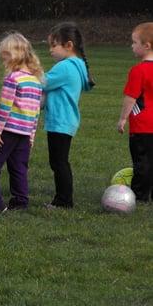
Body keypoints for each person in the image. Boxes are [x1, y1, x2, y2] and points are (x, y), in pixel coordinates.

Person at [44, 22, 95, 209]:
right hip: (67, 121)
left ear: (69, 45)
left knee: (58, 162)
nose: (50, 50)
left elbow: (42, 82)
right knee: (60, 161)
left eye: (53, 45)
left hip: (60, 121)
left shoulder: (64, 67)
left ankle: (63, 201)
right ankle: (64, 198)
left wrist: (27, 72)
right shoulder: (77, 65)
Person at [0, 32, 43, 212]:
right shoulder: (36, 81)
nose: (3, 58)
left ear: (15, 54)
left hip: (8, 131)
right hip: (24, 133)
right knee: (19, 167)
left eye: (5, 54)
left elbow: (4, 107)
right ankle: (20, 201)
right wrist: (31, 135)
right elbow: (36, 112)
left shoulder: (12, 79)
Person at [117, 22, 153, 202]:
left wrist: (123, 118)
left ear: (146, 46)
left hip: (143, 126)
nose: (131, 46)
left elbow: (131, 98)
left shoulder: (138, 71)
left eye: (134, 42)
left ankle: (140, 195)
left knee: (142, 163)